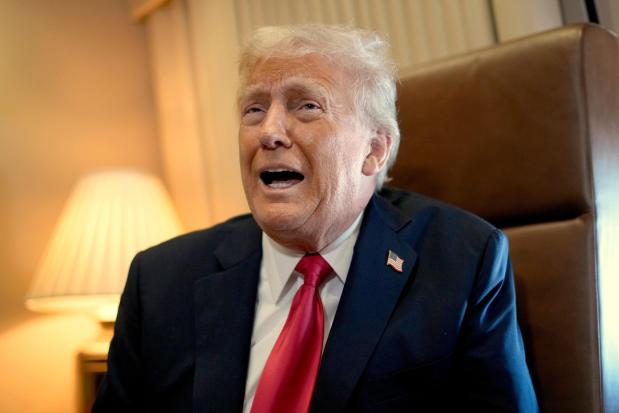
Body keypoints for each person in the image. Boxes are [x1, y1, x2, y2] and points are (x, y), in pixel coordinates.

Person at [93, 25, 538, 412]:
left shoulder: (461, 261)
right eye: (254, 109)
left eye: (306, 106)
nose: (268, 132)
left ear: (374, 150)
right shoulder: (160, 280)